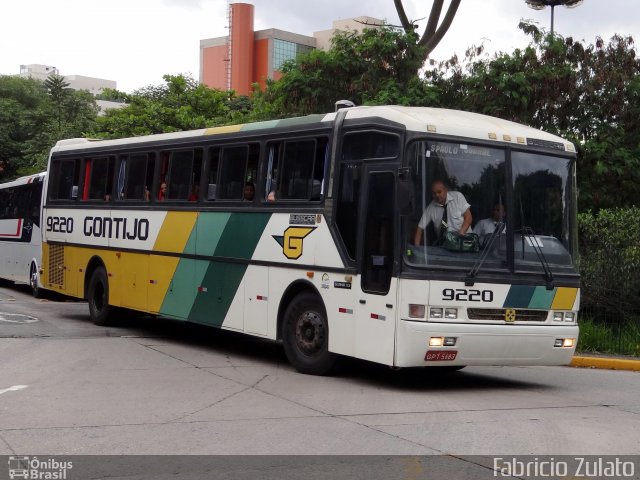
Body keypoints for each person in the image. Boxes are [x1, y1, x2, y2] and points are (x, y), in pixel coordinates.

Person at [414, 180, 472, 246]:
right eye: (434, 193)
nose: (437, 195)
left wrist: (460, 234)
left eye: (439, 192)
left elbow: (468, 217)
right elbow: (420, 228)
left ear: (446, 190)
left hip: (464, 243)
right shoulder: (430, 208)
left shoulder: (458, 197)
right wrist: (417, 248)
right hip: (445, 247)